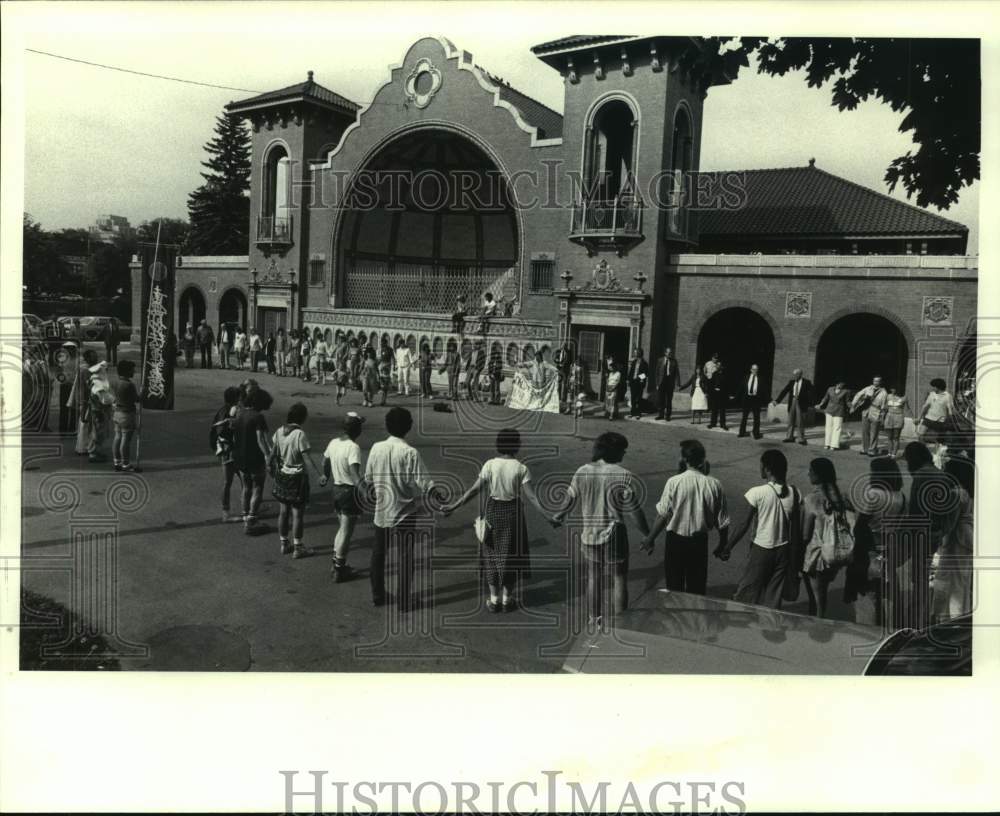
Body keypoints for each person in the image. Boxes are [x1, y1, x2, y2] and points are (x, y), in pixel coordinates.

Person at [443, 428, 552, 612]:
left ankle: (494, 600)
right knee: (511, 556)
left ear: (498, 444)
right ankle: (507, 600)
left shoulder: (490, 465)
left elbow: (473, 490)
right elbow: (533, 498)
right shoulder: (521, 468)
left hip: (493, 510)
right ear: (517, 445)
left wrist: (453, 506)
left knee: (491, 554)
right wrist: (549, 516)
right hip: (513, 513)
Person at [552, 432, 650, 627]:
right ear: (614, 451)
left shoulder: (583, 471)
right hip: (614, 532)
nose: (624, 453)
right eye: (623, 449)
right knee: (619, 578)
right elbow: (633, 511)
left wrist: (558, 516)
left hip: (589, 534)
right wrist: (648, 534)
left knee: (593, 577)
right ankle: (621, 623)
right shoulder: (623, 475)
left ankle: (594, 620)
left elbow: (570, 498)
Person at [364, 407, 434, 610]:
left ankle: (377, 594)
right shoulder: (410, 452)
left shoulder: (376, 448)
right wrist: (443, 501)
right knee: (406, 555)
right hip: (405, 511)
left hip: (382, 509)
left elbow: (368, 478)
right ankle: (404, 600)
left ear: (387, 426)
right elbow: (426, 483)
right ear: (408, 427)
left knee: (378, 553)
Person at [640, 439, 729, 596]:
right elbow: (722, 522)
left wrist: (650, 539)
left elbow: (662, 515)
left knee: (674, 588)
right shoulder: (714, 484)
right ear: (703, 460)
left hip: (675, 542)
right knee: (697, 589)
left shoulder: (674, 482)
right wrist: (722, 544)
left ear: (684, 459)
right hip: (699, 542)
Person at [717, 449, 801, 609]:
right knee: (773, 598)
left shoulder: (757, 493)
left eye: (761, 466)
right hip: (783, 551)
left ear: (767, 469)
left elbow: (743, 524)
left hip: (761, 550)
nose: (759, 469)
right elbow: (795, 530)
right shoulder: (795, 493)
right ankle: (768, 627)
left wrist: (727, 547)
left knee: (746, 594)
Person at [847, 456, 907, 628]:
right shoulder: (901, 497)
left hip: (869, 554)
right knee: (888, 603)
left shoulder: (873, 495)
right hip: (889, 554)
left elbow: (860, 527)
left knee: (867, 603)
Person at [900, 441, 952, 630]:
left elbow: (915, 512)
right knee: (931, 579)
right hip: (939, 535)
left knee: (920, 582)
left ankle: (918, 623)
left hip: (923, 537)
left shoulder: (921, 476)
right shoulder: (942, 475)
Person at [269, 402, 324, 559]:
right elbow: (306, 458)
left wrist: (269, 465)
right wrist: (319, 475)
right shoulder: (299, 434)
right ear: (302, 418)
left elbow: (273, 452)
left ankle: (284, 543)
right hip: (297, 477)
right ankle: (298, 547)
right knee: (297, 514)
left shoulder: (280, 431)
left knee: (283, 511)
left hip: (282, 474)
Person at [799, 457, 851, 618]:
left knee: (816, 599)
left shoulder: (811, 499)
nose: (808, 474)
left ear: (817, 475)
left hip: (816, 556)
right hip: (834, 552)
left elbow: (806, 534)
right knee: (822, 594)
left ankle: (818, 628)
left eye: (811, 471)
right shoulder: (841, 497)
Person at [323, 412, 367, 582]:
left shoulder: (334, 442)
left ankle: (336, 562)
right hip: (349, 492)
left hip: (336, 489)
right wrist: (366, 493)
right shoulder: (353, 447)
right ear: (357, 430)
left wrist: (326, 476)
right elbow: (355, 476)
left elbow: (325, 462)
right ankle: (339, 569)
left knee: (342, 529)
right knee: (347, 532)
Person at [932, 456, 974, 623]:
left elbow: (949, 523)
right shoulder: (970, 491)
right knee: (961, 581)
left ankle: (947, 619)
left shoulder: (956, 493)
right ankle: (960, 616)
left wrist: (938, 538)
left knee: (947, 581)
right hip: (967, 537)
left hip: (956, 539)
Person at [233, 383, 273, 534]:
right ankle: (252, 520)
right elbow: (261, 440)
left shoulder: (240, 413)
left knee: (246, 486)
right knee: (258, 487)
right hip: (254, 457)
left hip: (240, 456)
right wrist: (268, 456)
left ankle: (245, 515)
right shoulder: (258, 417)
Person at [210, 386, 242, 523]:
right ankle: (226, 513)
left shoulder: (223, 409)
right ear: (235, 398)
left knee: (242, 479)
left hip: (227, 449)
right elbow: (221, 430)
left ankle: (247, 507)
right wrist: (233, 425)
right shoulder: (228, 411)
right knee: (228, 481)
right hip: (228, 450)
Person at [69, 348, 100, 456]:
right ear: (88, 359)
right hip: (86, 400)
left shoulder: (86, 369)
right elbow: (85, 388)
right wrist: (85, 401)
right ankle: (85, 448)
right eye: (93, 356)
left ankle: (83, 447)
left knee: (84, 424)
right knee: (86, 424)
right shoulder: (86, 370)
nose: (96, 358)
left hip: (85, 400)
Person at [111, 360, 139, 472]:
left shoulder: (115, 382)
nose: (134, 371)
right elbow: (136, 399)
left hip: (117, 413)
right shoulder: (129, 385)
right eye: (132, 369)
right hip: (127, 414)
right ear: (127, 371)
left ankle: (117, 461)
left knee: (117, 438)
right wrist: (143, 393)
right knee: (125, 440)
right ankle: (125, 464)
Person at [849, 375, 888, 456]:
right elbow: (858, 395)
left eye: (878, 381)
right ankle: (865, 449)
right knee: (865, 431)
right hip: (866, 411)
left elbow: (884, 406)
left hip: (876, 412)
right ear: (872, 381)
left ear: (880, 382)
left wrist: (882, 417)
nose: (876, 382)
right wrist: (853, 405)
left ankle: (872, 450)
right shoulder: (868, 389)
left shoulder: (884, 392)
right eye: (874, 381)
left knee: (874, 433)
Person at [773, 368, 813, 445]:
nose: (794, 376)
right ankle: (789, 437)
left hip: (801, 403)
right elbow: (784, 391)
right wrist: (777, 401)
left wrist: (811, 403)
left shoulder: (807, 382)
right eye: (794, 375)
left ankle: (801, 438)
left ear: (800, 374)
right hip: (792, 401)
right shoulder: (791, 382)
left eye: (796, 375)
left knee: (800, 421)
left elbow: (811, 393)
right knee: (790, 420)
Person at [917, 377, 955, 447]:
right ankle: (923, 450)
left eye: (933, 387)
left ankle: (937, 455)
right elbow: (925, 406)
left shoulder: (948, 396)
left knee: (937, 440)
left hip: (940, 420)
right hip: (928, 418)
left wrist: (951, 421)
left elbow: (950, 410)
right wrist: (919, 418)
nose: (932, 388)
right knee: (920, 435)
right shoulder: (932, 394)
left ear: (938, 387)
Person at [815, 380, 850, 451]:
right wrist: (820, 404)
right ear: (837, 383)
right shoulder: (830, 389)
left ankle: (833, 445)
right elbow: (825, 398)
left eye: (843, 384)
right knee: (828, 427)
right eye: (840, 383)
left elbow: (847, 401)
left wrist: (852, 406)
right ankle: (827, 444)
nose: (841, 385)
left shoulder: (846, 391)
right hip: (829, 410)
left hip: (839, 411)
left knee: (837, 428)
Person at [737, 363, 765, 439]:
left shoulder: (761, 378)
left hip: (756, 400)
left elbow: (764, 391)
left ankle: (756, 433)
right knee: (744, 417)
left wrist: (769, 400)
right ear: (751, 370)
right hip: (747, 399)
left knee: (756, 417)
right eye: (753, 369)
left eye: (756, 369)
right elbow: (741, 388)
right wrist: (735, 396)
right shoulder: (746, 377)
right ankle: (742, 432)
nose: (755, 371)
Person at [881, 386, 909, 457]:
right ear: (891, 389)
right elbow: (885, 408)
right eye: (892, 388)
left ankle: (894, 454)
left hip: (898, 417)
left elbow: (907, 409)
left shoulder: (904, 397)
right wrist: (882, 418)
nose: (894, 390)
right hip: (889, 417)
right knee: (889, 437)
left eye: (895, 388)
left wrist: (915, 418)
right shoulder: (888, 396)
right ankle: (889, 453)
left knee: (896, 437)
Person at [57, 342, 79, 434]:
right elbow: (58, 373)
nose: (69, 350)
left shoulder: (78, 359)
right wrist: (62, 379)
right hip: (66, 385)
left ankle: (71, 428)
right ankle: (64, 428)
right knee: (64, 406)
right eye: (67, 348)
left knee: (73, 407)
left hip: (73, 385)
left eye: (71, 348)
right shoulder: (62, 358)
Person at [654, 347, 680, 421]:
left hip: (670, 382)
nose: (669, 354)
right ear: (665, 353)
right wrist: (657, 384)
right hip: (661, 382)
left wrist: (678, 384)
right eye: (668, 353)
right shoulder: (660, 360)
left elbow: (677, 373)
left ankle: (668, 415)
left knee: (669, 400)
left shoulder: (674, 361)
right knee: (661, 399)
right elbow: (657, 373)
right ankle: (661, 415)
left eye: (670, 353)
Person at [626, 346, 649, 419]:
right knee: (633, 398)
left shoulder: (644, 363)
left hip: (639, 383)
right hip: (633, 383)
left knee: (639, 399)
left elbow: (646, 374)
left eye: (636, 353)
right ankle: (632, 412)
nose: (635, 354)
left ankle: (638, 413)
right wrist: (628, 379)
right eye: (634, 353)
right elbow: (631, 372)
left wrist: (639, 378)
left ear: (640, 353)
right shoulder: (634, 362)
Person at [705, 362, 728, 430]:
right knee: (714, 409)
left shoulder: (725, 374)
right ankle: (713, 423)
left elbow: (727, 385)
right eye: (717, 365)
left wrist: (727, 394)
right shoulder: (714, 374)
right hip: (715, 394)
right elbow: (711, 383)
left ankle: (723, 424)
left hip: (722, 394)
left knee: (722, 410)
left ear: (721, 367)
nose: (718, 367)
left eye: (719, 365)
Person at [554, 342, 572, 409]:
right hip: (559, 369)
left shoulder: (569, 352)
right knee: (559, 384)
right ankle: (558, 397)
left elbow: (570, 361)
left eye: (565, 345)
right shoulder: (558, 351)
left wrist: (567, 366)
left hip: (565, 370)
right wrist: (557, 361)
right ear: (561, 345)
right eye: (563, 345)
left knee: (564, 384)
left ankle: (563, 399)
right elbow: (555, 359)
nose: (564, 346)